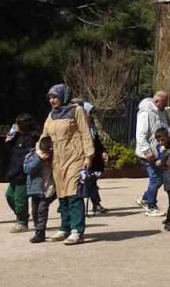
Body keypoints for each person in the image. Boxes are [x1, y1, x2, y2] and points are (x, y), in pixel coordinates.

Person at [40, 84, 94, 244]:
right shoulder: (51, 115)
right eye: (50, 97)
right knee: (62, 194)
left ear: (63, 96)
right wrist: (41, 150)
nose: (52, 100)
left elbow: (85, 133)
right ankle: (65, 227)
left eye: (55, 97)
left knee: (73, 193)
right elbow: (44, 136)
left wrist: (88, 156)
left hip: (75, 158)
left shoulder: (77, 111)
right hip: (57, 160)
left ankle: (77, 230)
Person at [135, 91, 170, 216]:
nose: (166, 105)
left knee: (159, 178)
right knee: (156, 179)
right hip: (149, 153)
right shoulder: (145, 113)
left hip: (160, 152)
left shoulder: (162, 112)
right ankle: (151, 205)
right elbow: (141, 134)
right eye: (165, 102)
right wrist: (147, 152)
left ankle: (145, 198)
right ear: (157, 101)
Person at [3, 114, 38, 232]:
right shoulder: (17, 137)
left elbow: (24, 156)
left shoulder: (32, 138)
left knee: (20, 199)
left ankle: (22, 222)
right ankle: (21, 215)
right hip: (13, 173)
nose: (15, 126)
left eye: (17, 123)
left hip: (22, 174)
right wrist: (9, 141)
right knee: (9, 196)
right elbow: (13, 152)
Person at [75, 100, 108, 215]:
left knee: (91, 181)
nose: (90, 115)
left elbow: (96, 142)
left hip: (92, 158)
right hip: (80, 158)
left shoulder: (92, 127)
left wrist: (103, 152)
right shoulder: (76, 126)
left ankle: (96, 204)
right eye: (88, 113)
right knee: (83, 182)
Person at [24, 136, 56, 243]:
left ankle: (40, 232)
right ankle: (37, 228)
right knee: (35, 211)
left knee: (42, 210)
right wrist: (39, 159)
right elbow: (28, 169)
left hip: (48, 189)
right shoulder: (32, 156)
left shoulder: (54, 158)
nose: (46, 155)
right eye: (44, 152)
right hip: (35, 189)